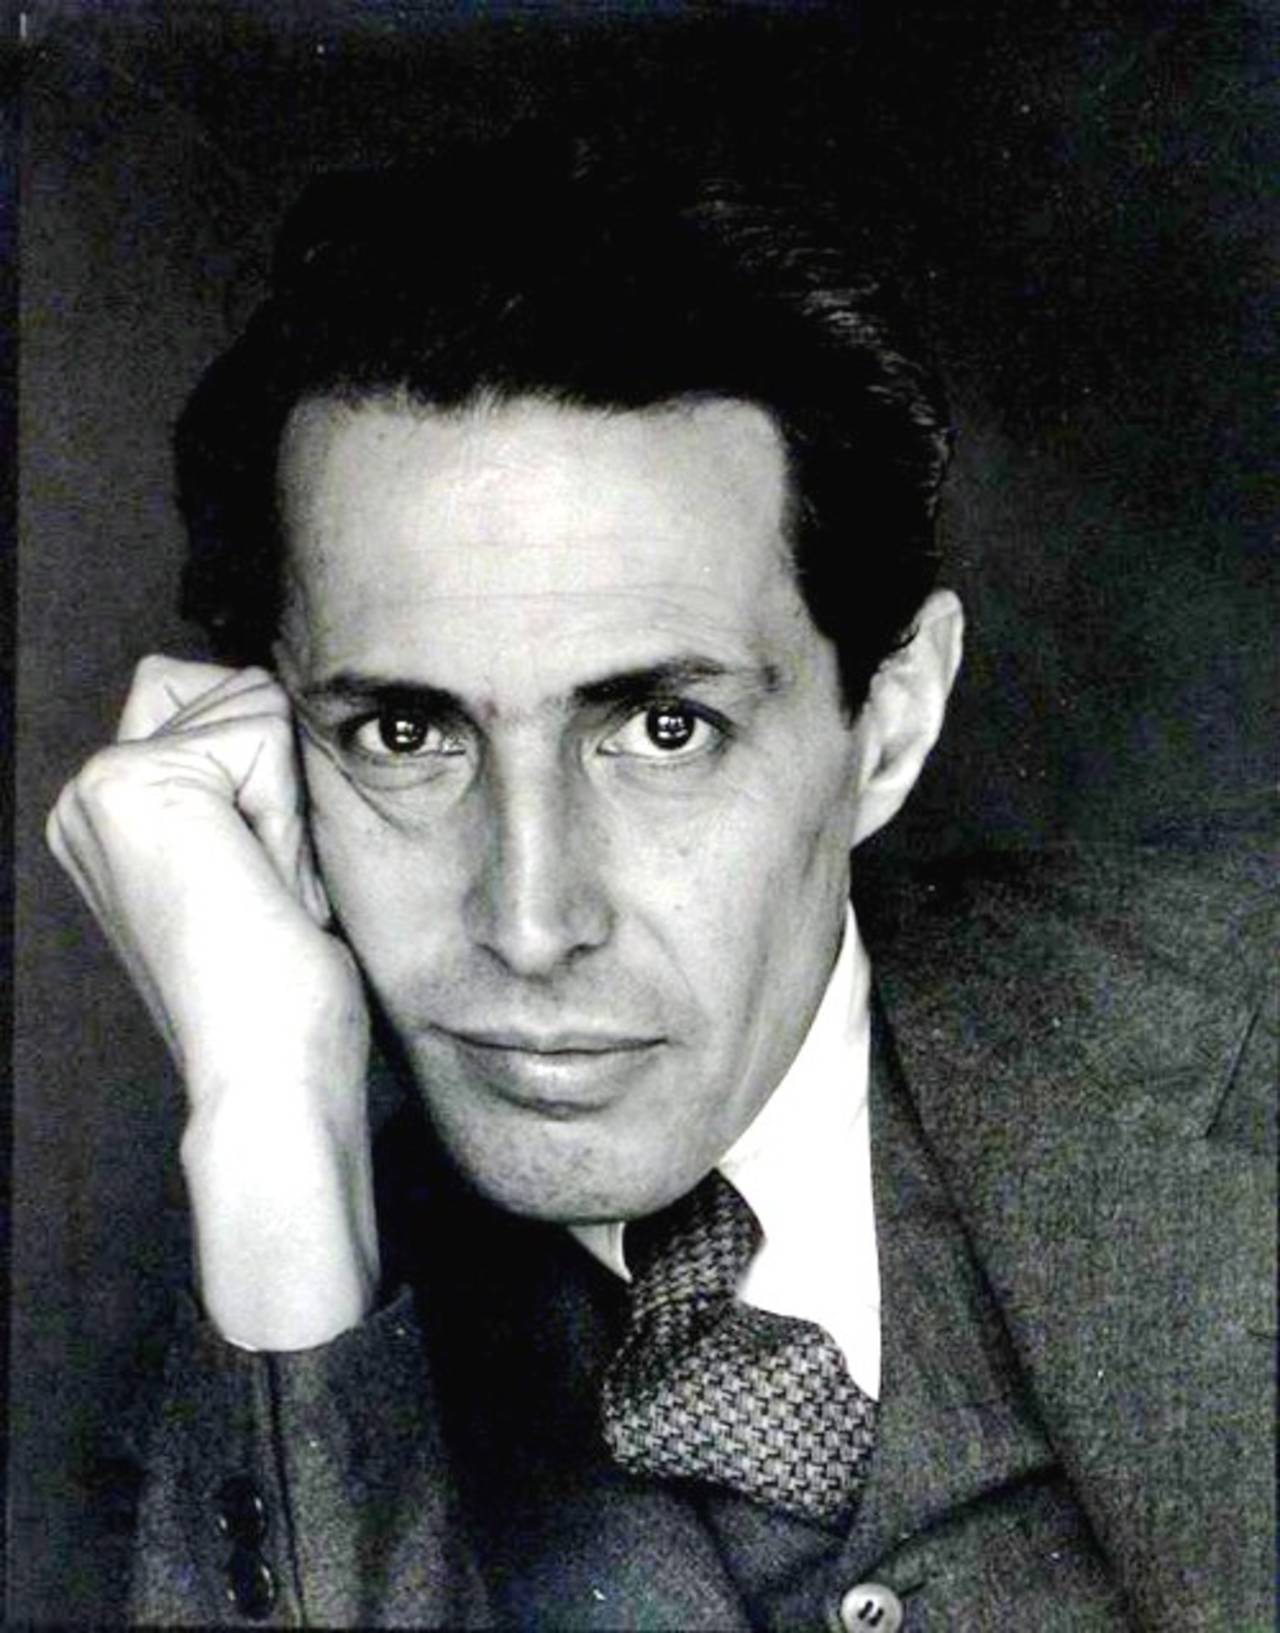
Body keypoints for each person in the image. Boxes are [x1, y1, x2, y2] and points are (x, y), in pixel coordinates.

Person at [46, 141, 1273, 1630]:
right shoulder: (233, 1387)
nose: (531, 921)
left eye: (663, 729)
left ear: (889, 725)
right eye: (405, 734)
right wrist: (269, 1115)